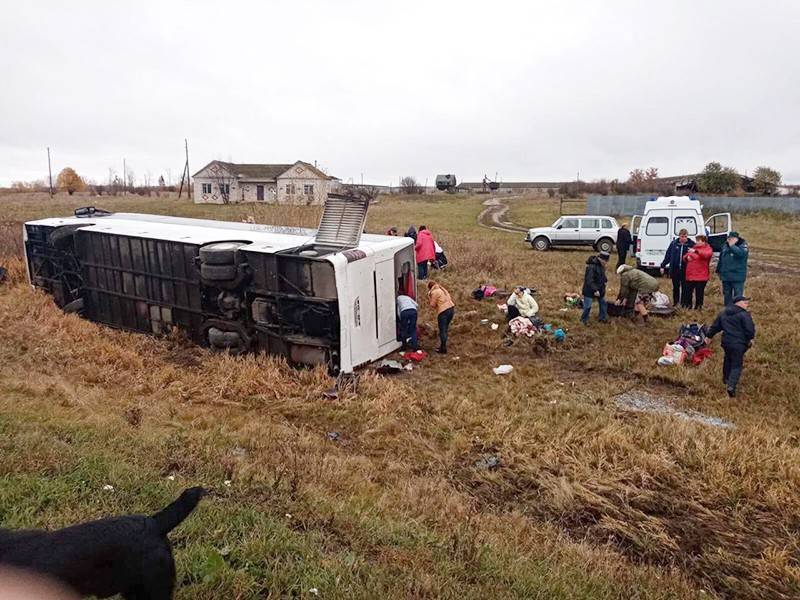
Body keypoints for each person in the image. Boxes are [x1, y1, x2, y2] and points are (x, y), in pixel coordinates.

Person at [705, 295, 755, 398]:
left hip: (726, 342)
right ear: (738, 303)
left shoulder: (723, 313)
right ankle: (731, 386)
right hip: (739, 344)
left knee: (727, 359)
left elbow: (716, 326)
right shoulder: (744, 315)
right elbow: (750, 330)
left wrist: (709, 336)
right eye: (745, 302)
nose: (747, 304)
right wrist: (750, 339)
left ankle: (726, 379)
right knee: (737, 365)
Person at [660, 229, 695, 308]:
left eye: (685, 236)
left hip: (685, 270)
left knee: (685, 287)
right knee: (676, 287)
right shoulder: (674, 243)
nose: (684, 238)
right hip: (675, 269)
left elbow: (696, 255)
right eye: (682, 236)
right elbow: (668, 256)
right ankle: (676, 302)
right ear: (679, 236)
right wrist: (663, 265)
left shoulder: (691, 244)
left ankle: (683, 303)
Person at [717, 231, 749, 305]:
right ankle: (728, 310)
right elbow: (721, 258)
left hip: (737, 276)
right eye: (728, 239)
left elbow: (740, 254)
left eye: (731, 239)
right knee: (727, 294)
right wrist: (719, 270)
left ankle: (738, 310)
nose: (729, 240)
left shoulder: (743, 246)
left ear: (736, 239)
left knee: (738, 295)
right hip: (726, 276)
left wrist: (732, 246)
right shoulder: (725, 245)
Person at [683, 234, 713, 310]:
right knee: (687, 292)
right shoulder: (693, 248)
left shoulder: (707, 248)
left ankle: (698, 308)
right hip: (690, 275)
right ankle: (688, 307)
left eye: (698, 241)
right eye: (696, 240)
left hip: (701, 276)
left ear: (703, 241)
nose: (697, 242)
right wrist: (687, 258)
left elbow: (706, 255)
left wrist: (696, 251)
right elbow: (685, 256)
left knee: (699, 293)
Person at [581, 251, 609, 324]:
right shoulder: (591, 267)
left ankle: (603, 318)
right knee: (588, 306)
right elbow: (589, 280)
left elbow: (601, 277)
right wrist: (595, 290)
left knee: (603, 303)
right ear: (600, 259)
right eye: (605, 261)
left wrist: (605, 280)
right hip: (589, 290)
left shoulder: (602, 266)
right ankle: (584, 320)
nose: (606, 263)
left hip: (600, 289)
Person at [427, 280, 455, 354]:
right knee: (445, 328)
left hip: (443, 312)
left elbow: (432, 305)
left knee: (442, 330)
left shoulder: (434, 292)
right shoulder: (443, 289)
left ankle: (443, 349)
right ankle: (443, 346)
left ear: (430, 287)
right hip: (451, 309)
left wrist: (429, 296)